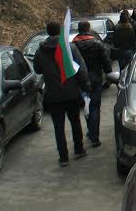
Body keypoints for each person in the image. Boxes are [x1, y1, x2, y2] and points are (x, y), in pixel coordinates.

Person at [33, 21, 91, 167]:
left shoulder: (41, 51)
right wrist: (86, 86)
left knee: (58, 127)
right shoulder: (69, 48)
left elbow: (38, 69)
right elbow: (81, 69)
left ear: (48, 32)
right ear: (59, 32)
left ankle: (63, 157)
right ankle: (79, 149)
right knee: (75, 122)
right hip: (71, 92)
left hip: (53, 94)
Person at [72, 21, 112, 147]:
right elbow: (105, 61)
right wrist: (109, 74)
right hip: (95, 79)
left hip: (80, 80)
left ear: (79, 30)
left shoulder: (73, 45)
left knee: (86, 105)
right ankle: (94, 136)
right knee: (95, 106)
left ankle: (91, 131)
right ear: (89, 29)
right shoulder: (97, 44)